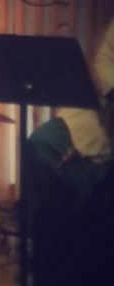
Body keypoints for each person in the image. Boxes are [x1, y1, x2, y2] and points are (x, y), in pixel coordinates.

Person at [28, 16, 114, 214]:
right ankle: (46, 227)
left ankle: (85, 208)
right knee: (40, 141)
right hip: (100, 115)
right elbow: (104, 64)